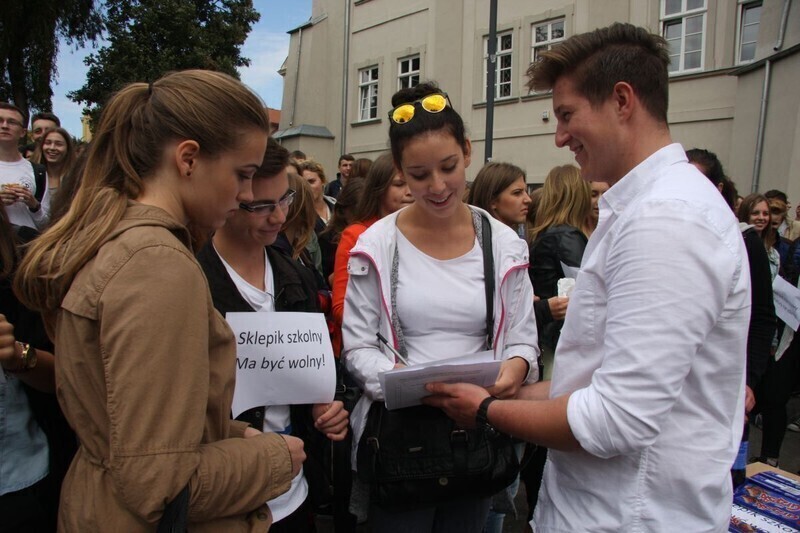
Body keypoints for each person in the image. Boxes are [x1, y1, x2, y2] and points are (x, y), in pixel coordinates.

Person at [425, 23, 750, 532]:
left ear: (622, 100)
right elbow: (595, 381)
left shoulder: (666, 220)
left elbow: (617, 419)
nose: (559, 137)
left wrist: (486, 409)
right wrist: (504, 393)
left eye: (567, 115)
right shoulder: (643, 209)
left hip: (628, 517)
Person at [13, 70, 306, 531]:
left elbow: (127, 423)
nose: (247, 195)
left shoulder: (124, 241)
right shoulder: (157, 264)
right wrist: (273, 458)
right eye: (243, 175)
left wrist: (230, 433)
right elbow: (158, 482)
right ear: (188, 159)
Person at [342, 82, 539, 532]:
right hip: (402, 439)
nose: (437, 187)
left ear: (467, 151)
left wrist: (514, 370)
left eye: (448, 168)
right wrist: (403, 384)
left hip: (476, 435)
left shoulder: (503, 244)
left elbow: (522, 339)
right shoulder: (376, 244)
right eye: (418, 175)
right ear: (399, 172)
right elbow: (357, 347)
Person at [197, 137, 348, 532]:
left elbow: (314, 372)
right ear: (229, 197)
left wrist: (325, 406)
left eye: (285, 199)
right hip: (225, 498)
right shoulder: (194, 279)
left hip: (294, 492)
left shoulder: (294, 274)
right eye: (262, 206)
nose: (279, 216)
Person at [0, 103, 47, 230]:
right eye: (0, 121)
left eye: (12, 122)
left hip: (27, 240)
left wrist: (34, 205)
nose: (4, 126)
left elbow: (45, 224)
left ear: (23, 132)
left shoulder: (38, 171)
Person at [31, 127, 76, 223]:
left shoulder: (75, 178)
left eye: (58, 144)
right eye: (48, 143)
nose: (52, 148)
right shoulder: (30, 173)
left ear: (68, 148)